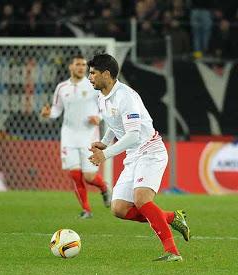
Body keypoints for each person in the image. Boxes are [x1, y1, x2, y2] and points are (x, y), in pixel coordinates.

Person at [87, 53, 190, 261]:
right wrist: (105, 142)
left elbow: (133, 136)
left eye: (93, 73)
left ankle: (172, 252)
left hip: (150, 150)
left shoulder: (126, 97)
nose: (89, 78)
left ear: (106, 74)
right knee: (119, 209)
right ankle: (172, 217)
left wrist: (105, 154)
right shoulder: (102, 96)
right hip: (133, 155)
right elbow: (114, 124)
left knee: (141, 200)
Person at [41, 55, 109, 219]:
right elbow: (57, 110)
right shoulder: (62, 87)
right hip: (69, 136)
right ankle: (87, 210)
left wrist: (98, 118)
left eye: (84, 65)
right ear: (71, 67)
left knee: (89, 177)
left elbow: (105, 106)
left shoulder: (93, 85)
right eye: (78, 64)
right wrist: (49, 114)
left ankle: (105, 189)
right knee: (75, 175)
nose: (81, 68)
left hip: (89, 137)